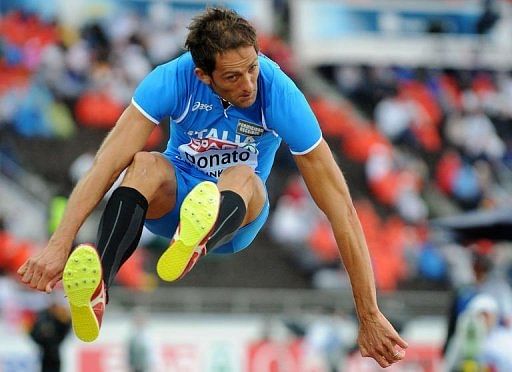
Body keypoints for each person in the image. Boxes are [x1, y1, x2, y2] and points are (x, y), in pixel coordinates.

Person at [17, 7, 407, 367]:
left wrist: (369, 313)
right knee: (141, 164)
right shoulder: (172, 80)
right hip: (172, 200)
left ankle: (197, 238)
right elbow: (105, 165)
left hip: (236, 215)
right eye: (233, 77)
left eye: (253, 68)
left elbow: (340, 207)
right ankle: (101, 280)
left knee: (241, 175)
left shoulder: (279, 94)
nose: (249, 85)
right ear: (202, 74)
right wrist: (58, 244)